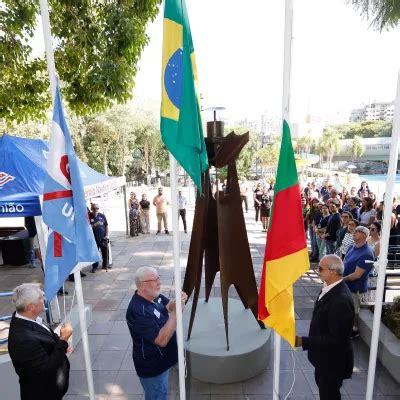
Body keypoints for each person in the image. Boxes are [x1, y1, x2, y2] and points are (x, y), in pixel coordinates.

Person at [295, 255, 354, 400]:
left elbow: (337, 339)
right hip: (324, 359)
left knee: (329, 395)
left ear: (333, 271)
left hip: (333, 363)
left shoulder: (340, 300)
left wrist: (304, 341)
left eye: (320, 268)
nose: (317, 269)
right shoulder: (329, 288)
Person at [126, 267, 187, 399]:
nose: (159, 283)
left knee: (161, 393)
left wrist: (177, 301)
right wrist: (176, 314)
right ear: (142, 286)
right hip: (153, 368)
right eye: (155, 280)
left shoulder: (154, 296)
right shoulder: (138, 311)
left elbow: (168, 306)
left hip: (164, 361)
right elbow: (161, 340)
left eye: (158, 278)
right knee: (157, 396)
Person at [8, 283, 73, 400]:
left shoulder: (29, 319)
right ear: (30, 307)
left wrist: (60, 343)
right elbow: (46, 370)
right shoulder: (23, 339)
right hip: (43, 394)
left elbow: (44, 338)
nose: (44, 299)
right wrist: (63, 340)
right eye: (40, 298)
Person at [343, 225, 374, 337]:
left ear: (365, 235)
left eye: (358, 231)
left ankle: (354, 330)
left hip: (356, 288)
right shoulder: (352, 246)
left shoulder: (367, 253)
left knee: (354, 310)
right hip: (346, 285)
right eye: (354, 230)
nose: (354, 232)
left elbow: (357, 275)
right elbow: (345, 261)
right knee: (346, 309)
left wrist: (340, 280)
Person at [89, 203, 109, 272]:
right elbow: (87, 227)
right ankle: (94, 266)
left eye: (97, 208)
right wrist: (94, 225)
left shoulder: (102, 216)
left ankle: (105, 265)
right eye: (94, 208)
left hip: (103, 237)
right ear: (91, 209)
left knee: (105, 251)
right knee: (94, 253)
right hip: (94, 238)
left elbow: (106, 225)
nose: (95, 210)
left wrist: (106, 235)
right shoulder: (89, 216)